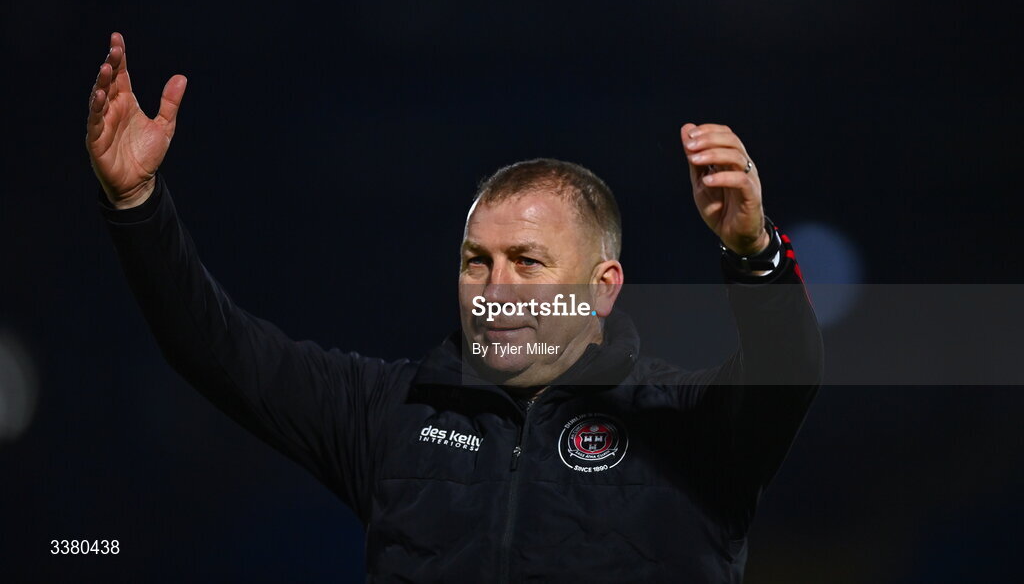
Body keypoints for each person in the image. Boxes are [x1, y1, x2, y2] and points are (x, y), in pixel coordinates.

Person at [86, 31, 822, 583]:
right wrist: (136, 204)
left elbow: (788, 368)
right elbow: (216, 350)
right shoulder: (393, 411)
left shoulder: (686, 424)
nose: (494, 288)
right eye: (477, 262)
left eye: (527, 262)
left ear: (603, 285)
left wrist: (753, 250)